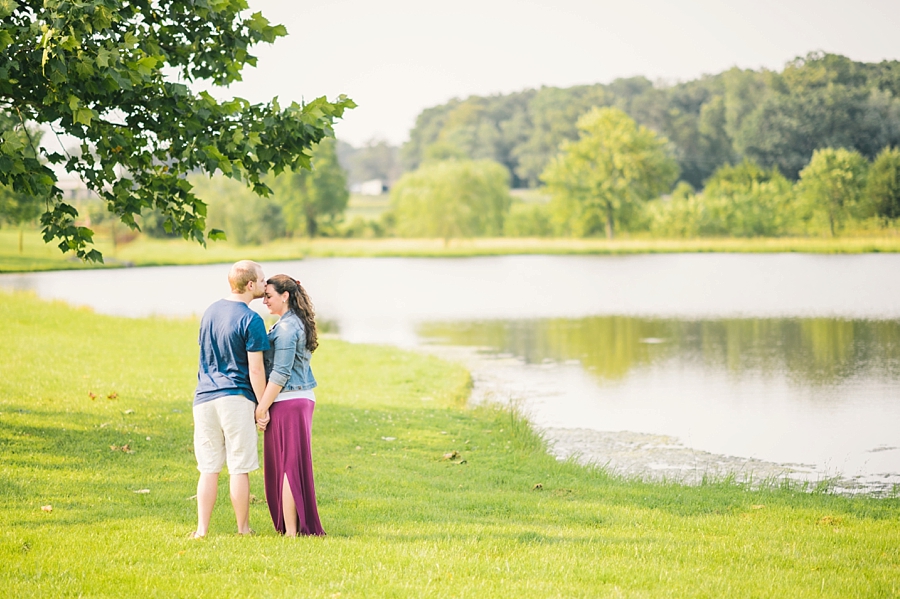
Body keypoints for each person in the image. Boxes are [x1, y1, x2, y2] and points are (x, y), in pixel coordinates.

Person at [190, 260, 270, 538]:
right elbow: (256, 369)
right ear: (250, 285)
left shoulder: (210, 311)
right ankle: (243, 529)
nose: (265, 285)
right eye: (261, 280)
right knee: (239, 466)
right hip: (235, 398)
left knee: (208, 467)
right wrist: (262, 406)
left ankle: (202, 530)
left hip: (204, 399)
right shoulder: (251, 319)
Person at [255, 274, 325, 536]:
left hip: (289, 402)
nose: (264, 301)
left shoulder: (285, 329)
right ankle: (292, 529)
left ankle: (292, 533)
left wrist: (262, 408)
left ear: (285, 296)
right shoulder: (291, 323)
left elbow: (281, 373)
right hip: (297, 400)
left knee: (288, 467)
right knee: (290, 465)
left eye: (269, 296)